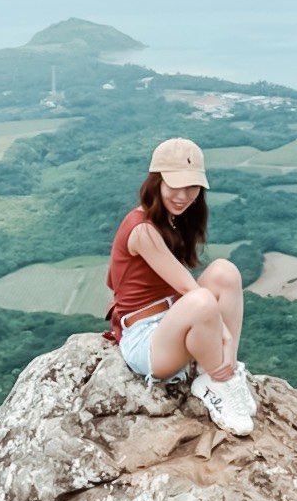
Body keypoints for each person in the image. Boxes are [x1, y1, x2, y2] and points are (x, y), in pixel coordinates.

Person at [106, 136, 256, 436]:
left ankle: (224, 372)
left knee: (226, 272)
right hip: (146, 339)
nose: (183, 195)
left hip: (172, 319)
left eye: (192, 187)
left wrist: (223, 341)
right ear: (156, 182)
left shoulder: (174, 222)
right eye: (175, 185)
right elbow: (189, 288)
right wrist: (222, 334)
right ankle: (218, 380)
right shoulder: (142, 230)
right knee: (201, 301)